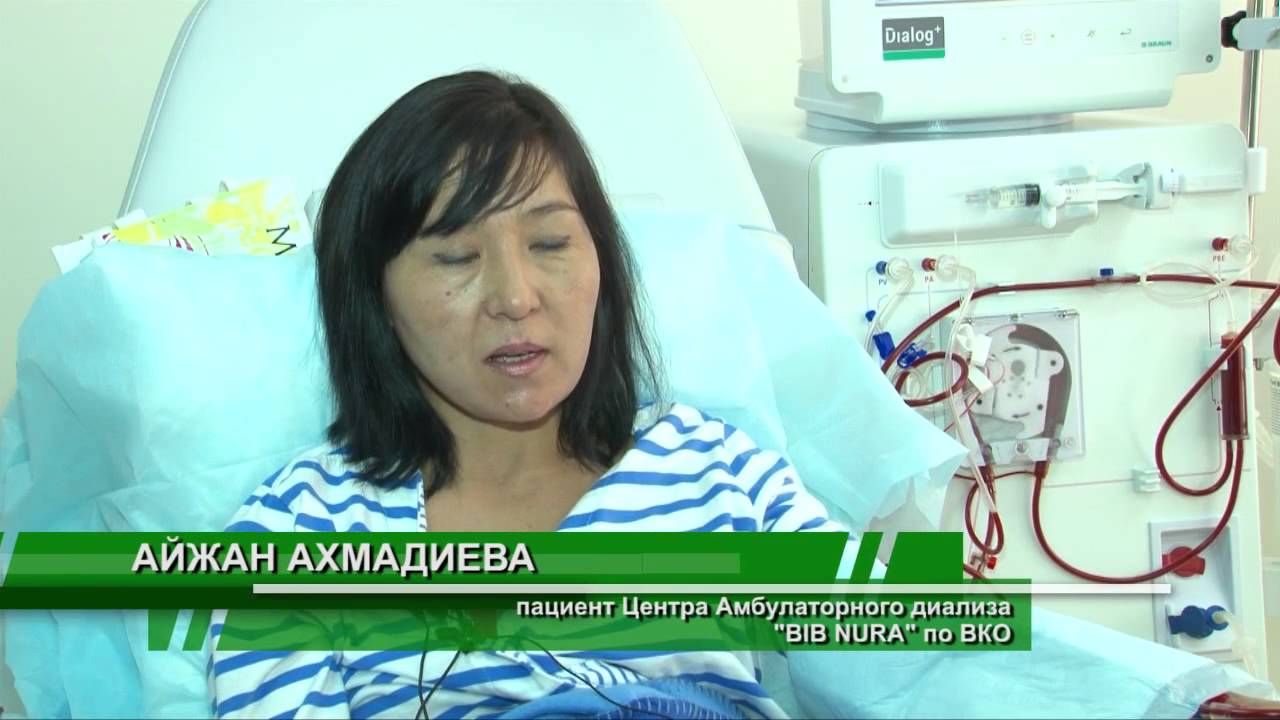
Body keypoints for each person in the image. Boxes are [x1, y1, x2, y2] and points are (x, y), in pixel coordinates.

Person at [210, 70, 853, 719]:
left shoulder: (719, 474)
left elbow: (899, 669)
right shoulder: (302, 531)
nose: (515, 298)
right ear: (376, 297)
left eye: (549, 243)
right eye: (456, 256)